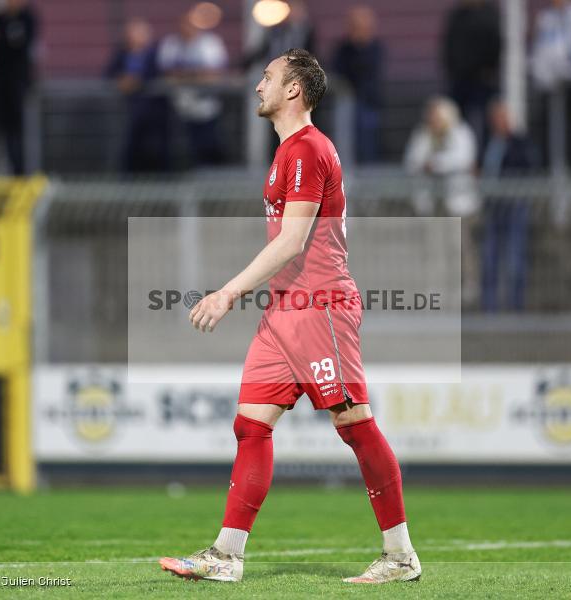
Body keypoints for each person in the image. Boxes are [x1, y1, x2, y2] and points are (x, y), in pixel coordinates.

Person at [159, 49, 420, 585]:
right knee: (250, 426)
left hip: (320, 308)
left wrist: (228, 292)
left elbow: (294, 241)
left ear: (294, 90)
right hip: (284, 313)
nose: (258, 86)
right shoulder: (287, 153)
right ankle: (226, 557)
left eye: (268, 77)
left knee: (354, 426)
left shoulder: (308, 149)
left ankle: (400, 557)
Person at [403, 96, 479, 306]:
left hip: (457, 203)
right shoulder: (422, 135)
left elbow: (463, 159)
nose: (432, 120)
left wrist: (435, 164)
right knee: (433, 247)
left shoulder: (461, 133)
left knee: (461, 246)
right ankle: (435, 289)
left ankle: (467, 287)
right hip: (432, 204)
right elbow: (412, 161)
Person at [480, 101, 537, 313]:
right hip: (493, 207)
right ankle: (489, 308)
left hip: (513, 206)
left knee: (515, 258)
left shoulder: (519, 143)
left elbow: (526, 168)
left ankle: (516, 307)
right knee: (489, 259)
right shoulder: (488, 141)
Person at [529, 0, 571, 166]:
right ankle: (551, 171)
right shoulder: (545, 17)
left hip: (569, 85)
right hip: (547, 87)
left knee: (570, 132)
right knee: (547, 132)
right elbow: (539, 48)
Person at [157, 6, 228, 167]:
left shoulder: (210, 43)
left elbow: (213, 76)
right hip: (178, 105)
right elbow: (167, 75)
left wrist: (184, 75)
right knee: (178, 148)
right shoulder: (171, 43)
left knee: (208, 144)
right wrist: (196, 75)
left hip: (206, 106)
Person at [0, 0, 39, 175]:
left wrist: (1, 39)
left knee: (18, 131)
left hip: (18, 84)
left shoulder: (27, 18)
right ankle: (1, 171)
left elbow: (21, 45)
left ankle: (19, 172)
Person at [105, 18, 169, 173]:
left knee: (156, 153)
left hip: (155, 114)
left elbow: (158, 74)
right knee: (131, 153)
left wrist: (137, 81)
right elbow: (108, 73)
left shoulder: (156, 53)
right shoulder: (121, 54)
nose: (132, 37)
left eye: (136, 33)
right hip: (129, 113)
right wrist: (121, 80)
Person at [441, 0, 502, 156]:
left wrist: (487, 70)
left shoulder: (490, 15)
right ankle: (458, 156)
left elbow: (495, 45)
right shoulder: (456, 16)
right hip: (459, 81)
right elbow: (448, 46)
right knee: (455, 123)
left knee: (481, 124)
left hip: (481, 82)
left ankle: (481, 159)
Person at [333, 6, 385, 164]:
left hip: (369, 101)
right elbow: (339, 69)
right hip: (347, 101)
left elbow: (367, 70)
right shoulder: (344, 48)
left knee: (368, 140)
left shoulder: (375, 47)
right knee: (347, 140)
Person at [243, 0, 315, 69]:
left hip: (295, 72)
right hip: (275, 71)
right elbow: (262, 51)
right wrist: (244, 64)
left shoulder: (304, 32)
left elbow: (310, 54)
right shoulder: (273, 31)